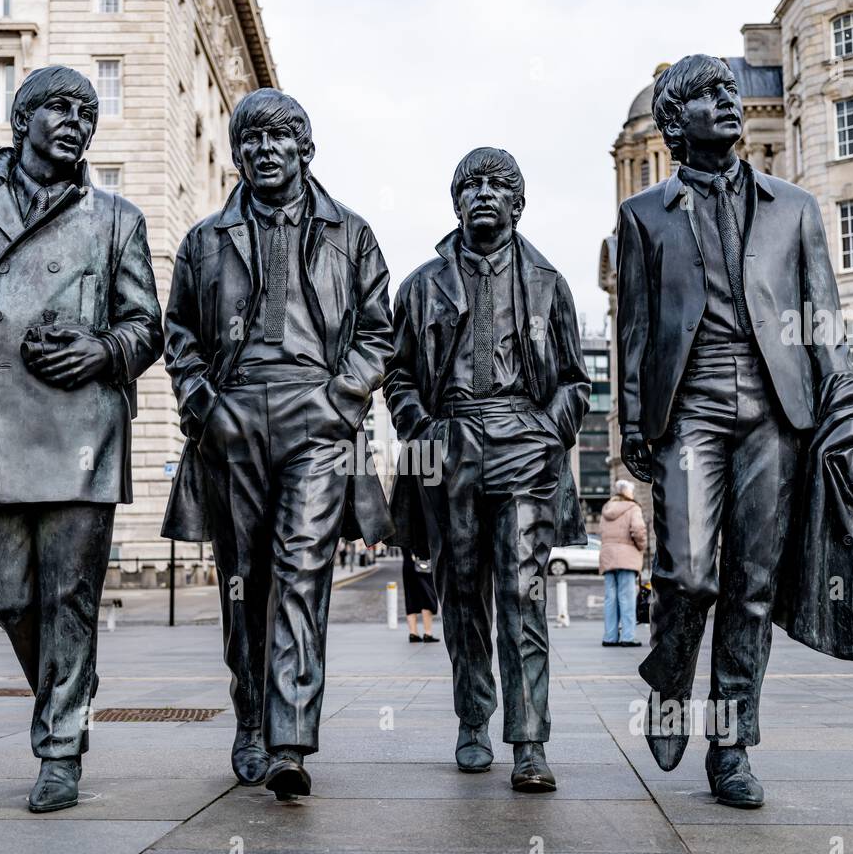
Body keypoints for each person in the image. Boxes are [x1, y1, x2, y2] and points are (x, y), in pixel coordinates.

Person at [614, 54, 853, 807]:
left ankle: (732, 746)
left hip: (778, 412)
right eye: (708, 96)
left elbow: (824, 319)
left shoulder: (796, 207)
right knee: (688, 573)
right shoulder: (643, 215)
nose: (728, 102)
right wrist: (631, 426)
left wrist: (841, 405)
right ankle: (668, 679)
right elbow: (635, 331)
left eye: (729, 93)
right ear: (675, 120)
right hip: (690, 407)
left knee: (752, 585)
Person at [0, 65, 163, 813]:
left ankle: (60, 745)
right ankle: (66, 682)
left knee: (72, 596)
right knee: (3, 590)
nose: (78, 120)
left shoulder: (117, 219)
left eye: (88, 110)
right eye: (59, 107)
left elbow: (149, 327)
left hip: (83, 431)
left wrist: (103, 350)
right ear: (21, 122)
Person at [162, 88, 393, 800]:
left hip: (316, 418)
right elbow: (180, 338)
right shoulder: (204, 241)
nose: (265, 150)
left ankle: (291, 738)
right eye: (252, 140)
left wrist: (340, 399)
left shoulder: (350, 234)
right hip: (233, 418)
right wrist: (206, 403)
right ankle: (252, 719)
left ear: (306, 150)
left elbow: (379, 332)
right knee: (245, 583)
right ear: (237, 155)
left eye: (280, 138)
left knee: (301, 571)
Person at [385, 148, 590, 792]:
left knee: (522, 591)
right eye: (470, 184)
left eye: (497, 185)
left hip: (523, 439)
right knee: (461, 591)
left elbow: (574, 382)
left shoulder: (549, 283)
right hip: (450, 443)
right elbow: (397, 375)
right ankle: (474, 717)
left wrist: (546, 433)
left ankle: (530, 740)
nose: (482, 193)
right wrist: (423, 427)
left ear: (517, 204)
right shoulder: (421, 286)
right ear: (455, 202)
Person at [598, 479, 646, 648]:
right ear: (627, 492)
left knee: (610, 598)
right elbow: (638, 530)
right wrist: (641, 547)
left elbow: (601, 532)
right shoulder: (633, 508)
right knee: (627, 598)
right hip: (627, 557)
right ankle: (628, 636)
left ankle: (610, 637)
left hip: (608, 556)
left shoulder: (606, 509)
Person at [401, 552, 439, 642]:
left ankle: (413, 633)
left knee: (410, 596)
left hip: (408, 564)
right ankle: (428, 633)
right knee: (428, 595)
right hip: (424, 564)